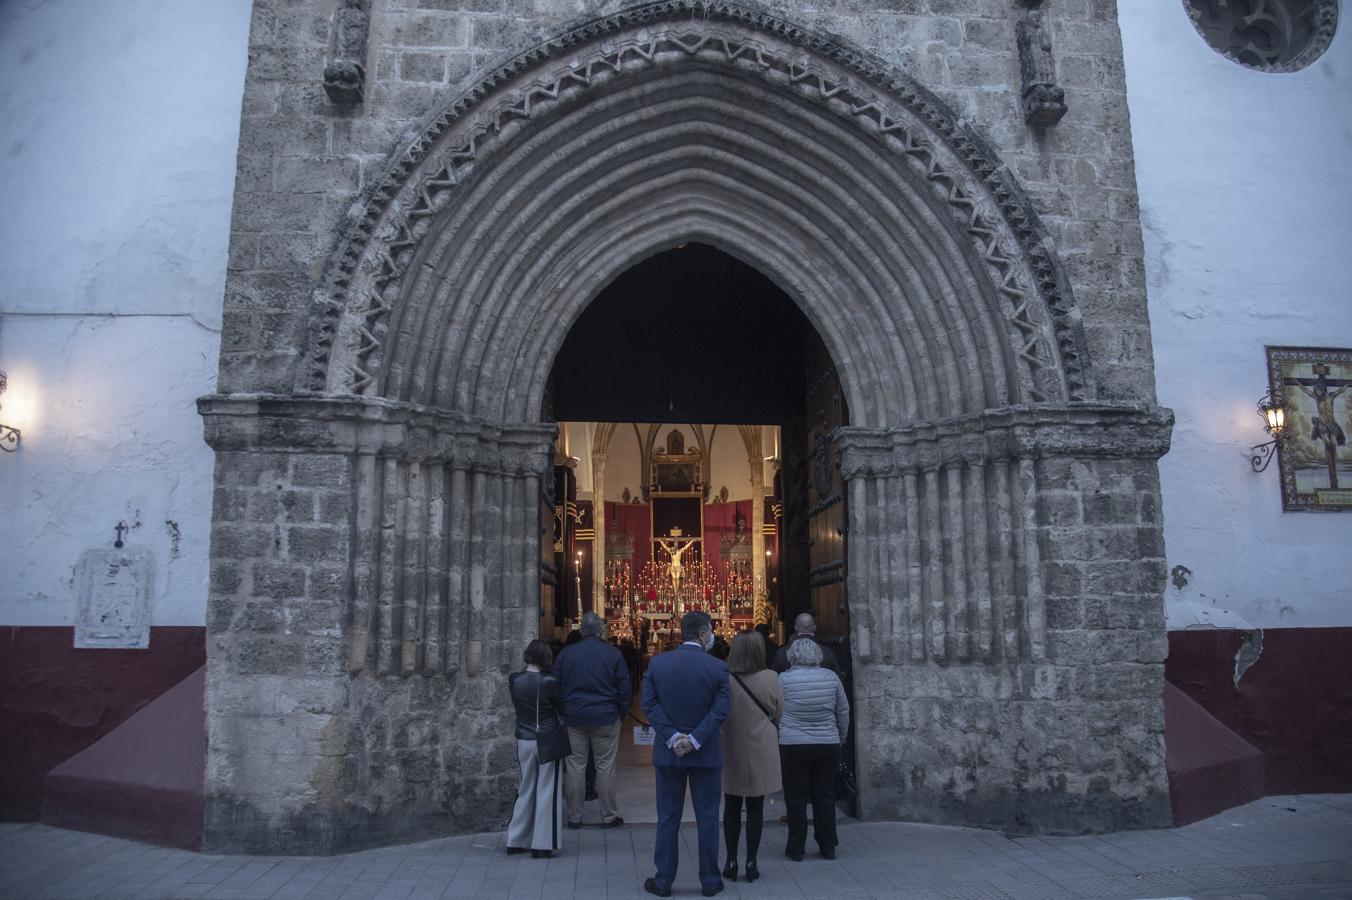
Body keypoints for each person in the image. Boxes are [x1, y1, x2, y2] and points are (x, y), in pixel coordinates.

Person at [641, 610, 731, 898]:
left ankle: (664, 879)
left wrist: (672, 736)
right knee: (707, 817)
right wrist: (695, 739)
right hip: (705, 754)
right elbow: (721, 710)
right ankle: (710, 880)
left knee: (668, 817)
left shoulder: (658, 664)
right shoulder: (717, 668)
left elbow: (649, 704)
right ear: (704, 634)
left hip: (670, 755)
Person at [554, 611, 630, 830]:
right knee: (605, 766)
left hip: (575, 716)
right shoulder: (612, 654)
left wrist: (564, 710)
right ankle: (608, 816)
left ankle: (574, 817)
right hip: (605, 716)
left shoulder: (567, 654)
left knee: (575, 766)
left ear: (581, 631)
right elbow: (623, 687)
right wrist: (619, 712)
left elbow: (556, 685)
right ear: (600, 630)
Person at [720, 630, 783, 884]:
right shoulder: (771, 678)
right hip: (761, 746)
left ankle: (731, 861)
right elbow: (779, 712)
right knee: (756, 807)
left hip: (731, 745)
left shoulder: (726, 679)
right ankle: (752, 862)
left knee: (732, 806)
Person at [778, 638, 849, 861]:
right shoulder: (831, 677)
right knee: (825, 795)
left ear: (793, 656)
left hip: (793, 744)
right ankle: (828, 845)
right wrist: (841, 736)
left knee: (796, 797)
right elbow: (842, 711)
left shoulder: (784, 679)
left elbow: (777, 710)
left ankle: (796, 848)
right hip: (826, 742)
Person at [506, 639, 567, 859]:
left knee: (525, 788)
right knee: (547, 789)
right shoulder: (550, 681)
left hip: (523, 738)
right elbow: (562, 707)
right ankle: (542, 842)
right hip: (547, 739)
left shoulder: (514, 680)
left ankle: (516, 838)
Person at [770, 612, 841, 674]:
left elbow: (774, 682)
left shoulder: (782, 653)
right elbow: (838, 680)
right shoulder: (827, 652)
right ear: (814, 627)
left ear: (795, 628)